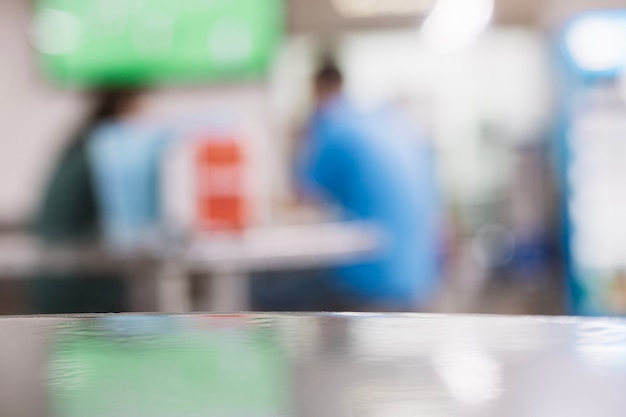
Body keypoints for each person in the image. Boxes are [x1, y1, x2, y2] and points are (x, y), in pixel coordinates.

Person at [254, 62, 441, 312]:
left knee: (261, 295)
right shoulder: (384, 121)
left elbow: (299, 197)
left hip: (369, 281)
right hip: (420, 279)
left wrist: (297, 140)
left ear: (315, 90)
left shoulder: (332, 125)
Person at [31, 90, 142, 314]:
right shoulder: (101, 153)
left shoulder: (81, 147)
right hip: (78, 283)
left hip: (58, 278)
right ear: (124, 107)